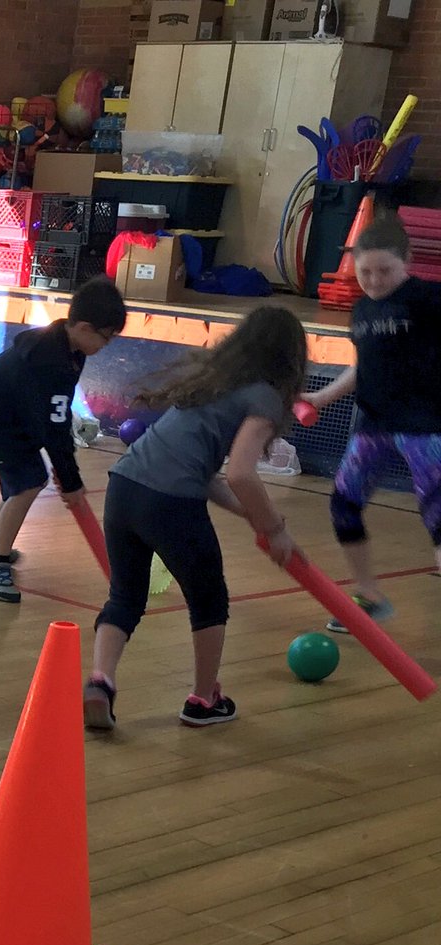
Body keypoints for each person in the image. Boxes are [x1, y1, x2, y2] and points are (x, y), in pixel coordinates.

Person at [83, 306, 306, 732]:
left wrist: (256, 519)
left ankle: (101, 681)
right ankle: (205, 699)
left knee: (125, 596)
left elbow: (207, 479)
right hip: (170, 502)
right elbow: (241, 472)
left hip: (125, 486)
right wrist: (275, 529)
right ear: (290, 358)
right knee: (209, 600)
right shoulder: (264, 396)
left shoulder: (211, 384)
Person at [300, 214, 441, 634]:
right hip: (375, 425)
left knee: (437, 518)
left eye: (385, 271)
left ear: (407, 262)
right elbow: (366, 365)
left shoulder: (429, 300)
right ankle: (370, 596)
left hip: (426, 427)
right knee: (344, 503)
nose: (375, 281)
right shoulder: (362, 308)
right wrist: (321, 397)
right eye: (366, 272)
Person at [0, 277, 127, 603]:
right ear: (86, 327)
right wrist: (71, 481)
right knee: (29, 481)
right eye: (106, 337)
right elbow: (54, 429)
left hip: (10, 421)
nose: (106, 346)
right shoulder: (51, 359)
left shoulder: (70, 349)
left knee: (24, 479)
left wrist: (68, 477)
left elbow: (52, 418)